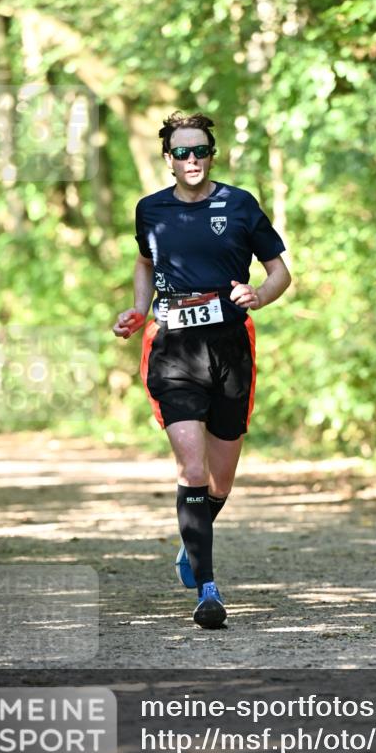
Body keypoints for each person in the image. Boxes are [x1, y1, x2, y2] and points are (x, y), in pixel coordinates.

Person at [112, 111, 291, 629]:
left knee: (219, 480)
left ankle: (194, 534)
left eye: (200, 151)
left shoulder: (238, 205)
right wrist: (139, 309)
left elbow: (280, 271)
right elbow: (146, 261)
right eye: (182, 152)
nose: (192, 160)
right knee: (191, 471)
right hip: (172, 347)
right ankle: (207, 589)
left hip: (231, 346)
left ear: (212, 155)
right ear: (168, 159)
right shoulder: (150, 210)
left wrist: (259, 294)